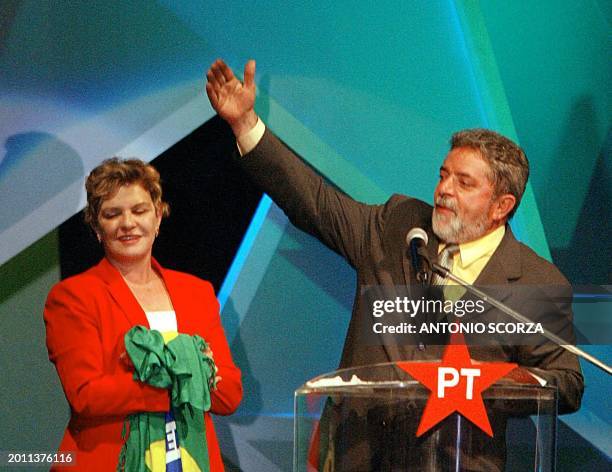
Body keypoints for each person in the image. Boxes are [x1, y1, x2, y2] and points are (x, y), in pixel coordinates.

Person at [205, 59, 584, 470]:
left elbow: (566, 382)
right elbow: (314, 201)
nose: (444, 190)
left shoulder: (535, 281)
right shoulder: (397, 225)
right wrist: (245, 124)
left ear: (502, 206)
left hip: (457, 459)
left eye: (464, 182)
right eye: (444, 175)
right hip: (361, 454)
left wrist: (496, 379)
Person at [44, 158, 242, 471]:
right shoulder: (73, 296)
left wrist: (171, 379)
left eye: (139, 210)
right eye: (112, 214)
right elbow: (86, 395)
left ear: (158, 217)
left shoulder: (196, 292)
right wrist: (186, 379)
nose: (127, 223)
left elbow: (229, 393)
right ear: (96, 226)